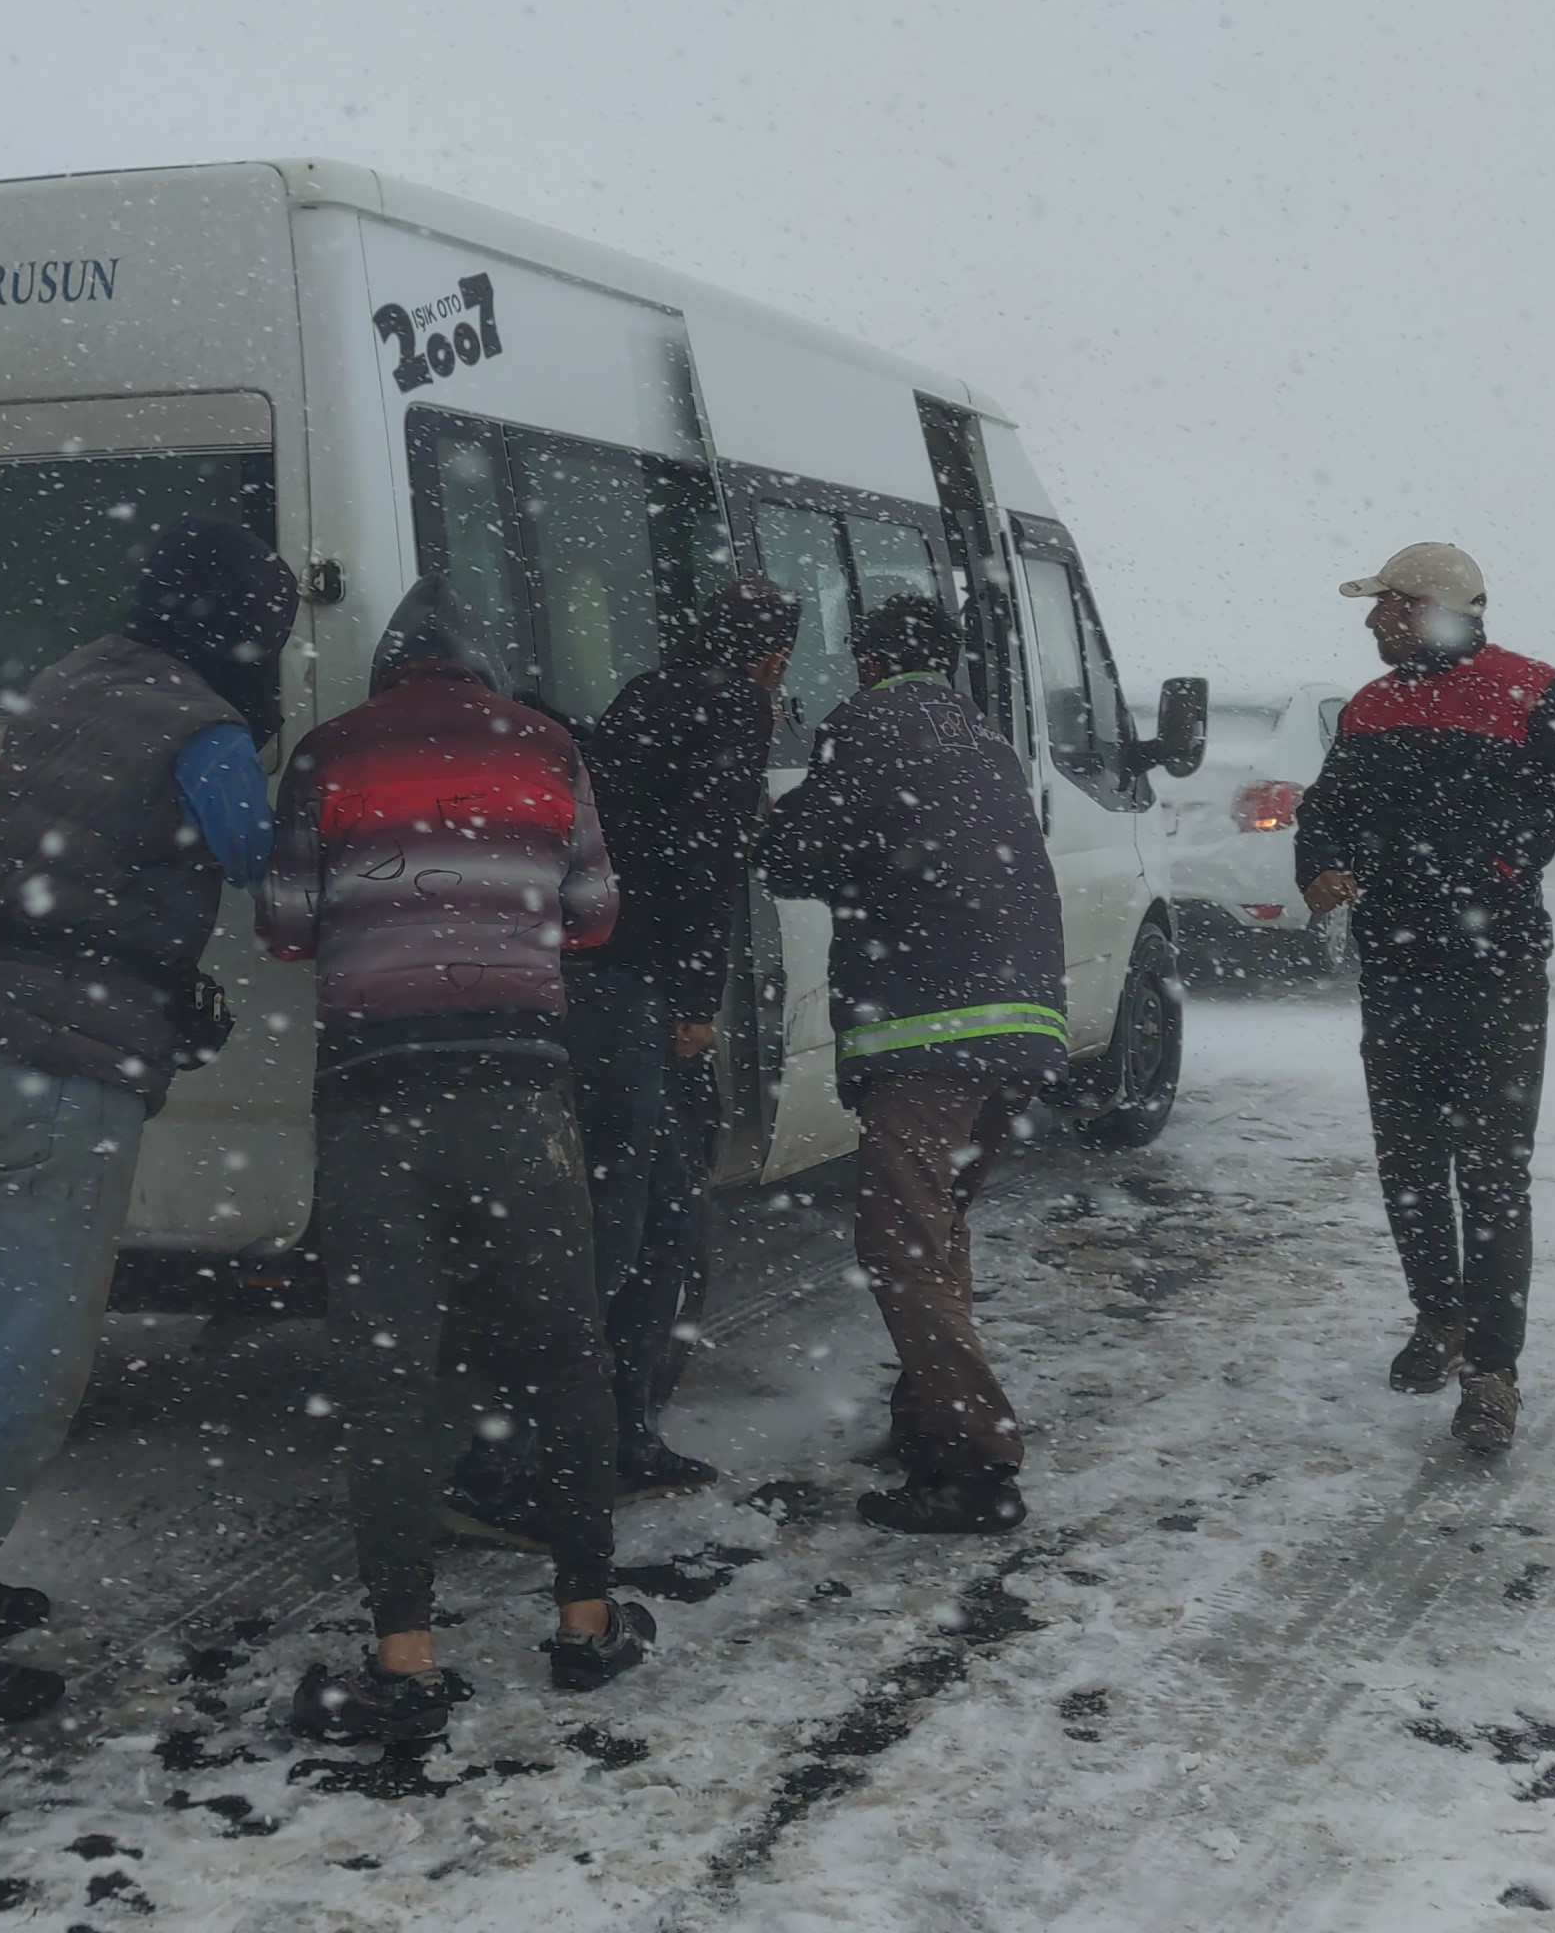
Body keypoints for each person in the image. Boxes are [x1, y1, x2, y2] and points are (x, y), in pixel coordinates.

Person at [0, 517, 298, 1733]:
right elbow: (258, 854)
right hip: (68, 1069)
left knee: (4, 1347)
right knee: (29, 1379)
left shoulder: (70, 679)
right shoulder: (199, 724)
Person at [260, 580, 653, 1745]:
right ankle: (586, 1620)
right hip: (519, 1091)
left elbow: (285, 922)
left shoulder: (328, 755)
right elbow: (593, 915)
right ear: (481, 669)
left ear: (388, 673)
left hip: (376, 1094)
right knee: (564, 1351)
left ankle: (407, 1658)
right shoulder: (547, 748)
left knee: (390, 1375)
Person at [445, 578, 800, 1542]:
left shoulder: (650, 695)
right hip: (630, 994)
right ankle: (502, 1462)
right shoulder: (730, 707)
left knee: (663, 1221)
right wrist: (694, 1003)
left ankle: (619, 1438)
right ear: (772, 658)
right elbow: (705, 856)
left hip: (589, 979)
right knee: (619, 1230)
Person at [1295, 542, 1555, 1455]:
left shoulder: (1532, 692)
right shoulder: (1372, 707)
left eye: (1384, 606)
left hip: (1494, 962)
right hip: (1394, 963)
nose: (1371, 622)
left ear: (1425, 607)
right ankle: (1439, 1320)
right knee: (1411, 1160)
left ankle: (1494, 1373)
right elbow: (1325, 808)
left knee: (1492, 1170)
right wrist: (1320, 865)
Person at [757, 592, 1067, 1536]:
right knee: (940, 1232)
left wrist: (766, 817)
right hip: (1024, 1030)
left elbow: (798, 857)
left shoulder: (870, 727)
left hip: (930, 1030)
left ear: (867, 662)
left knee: (903, 1247)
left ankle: (976, 1469)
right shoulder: (986, 741)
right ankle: (929, 1423)